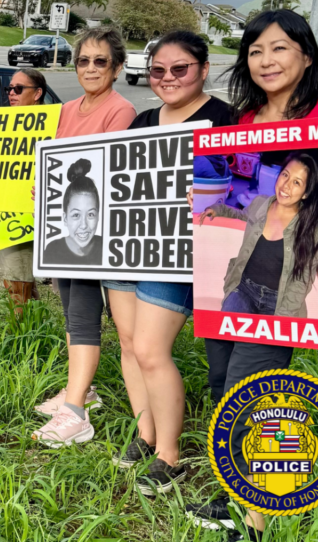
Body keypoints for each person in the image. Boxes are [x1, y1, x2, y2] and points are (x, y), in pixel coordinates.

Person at [186, 9, 318, 541]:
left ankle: (254, 516)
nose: (266, 60)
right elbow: (233, 198)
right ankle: (234, 484)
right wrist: (205, 201)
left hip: (284, 287)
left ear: (307, 56)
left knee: (253, 385)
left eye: (280, 47)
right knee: (222, 380)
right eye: (256, 50)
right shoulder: (240, 122)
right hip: (233, 277)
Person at [103, 30, 233, 496]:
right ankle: (146, 433)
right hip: (129, 246)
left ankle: (169, 456)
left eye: (180, 68)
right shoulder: (141, 121)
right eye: (158, 70)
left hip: (182, 255)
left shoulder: (226, 121)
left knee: (152, 350)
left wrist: (211, 198)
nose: (168, 78)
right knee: (130, 343)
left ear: (203, 68)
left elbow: (247, 192)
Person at [30, 26, 136, 448]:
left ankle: (75, 411)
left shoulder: (121, 110)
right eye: (83, 61)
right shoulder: (67, 109)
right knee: (71, 308)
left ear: (117, 67)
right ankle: (83, 390)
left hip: (95, 232)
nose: (90, 69)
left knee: (85, 314)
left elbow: (108, 168)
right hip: (61, 229)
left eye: (100, 61)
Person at [203, 153, 318, 316]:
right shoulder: (260, 203)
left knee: (250, 343)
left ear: (305, 193)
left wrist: (282, 318)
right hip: (243, 289)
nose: (286, 185)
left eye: (297, 182)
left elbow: (302, 282)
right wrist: (219, 209)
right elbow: (241, 215)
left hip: (279, 301)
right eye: (285, 175)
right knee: (220, 339)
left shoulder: (310, 230)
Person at [0, 68, 53, 313]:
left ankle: (22, 344)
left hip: (46, 218)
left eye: (18, 89)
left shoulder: (57, 127)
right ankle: (29, 340)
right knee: (17, 284)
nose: (11, 93)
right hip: (11, 218)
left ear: (37, 94)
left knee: (22, 284)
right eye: (9, 89)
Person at [41, 160, 102, 264]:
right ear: (65, 218)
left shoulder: (108, 248)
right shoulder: (52, 250)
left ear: (98, 216)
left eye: (91, 214)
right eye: (76, 215)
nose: (83, 225)